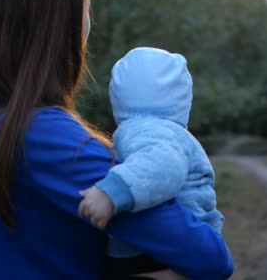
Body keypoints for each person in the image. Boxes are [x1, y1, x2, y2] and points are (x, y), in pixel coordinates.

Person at [0, 0, 234, 280]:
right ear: (61, 22)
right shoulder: (45, 135)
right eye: (85, 8)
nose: (89, 23)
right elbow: (210, 255)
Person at [79, 47, 225, 280]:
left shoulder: (147, 129)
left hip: (160, 255)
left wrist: (111, 193)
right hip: (178, 248)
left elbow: (164, 168)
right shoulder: (169, 132)